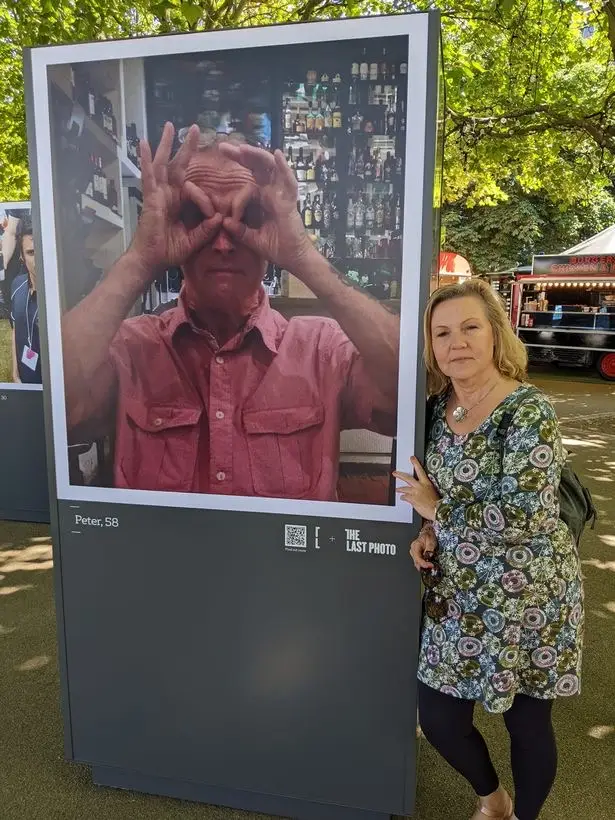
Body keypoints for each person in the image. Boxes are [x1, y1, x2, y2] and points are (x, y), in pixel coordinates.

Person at [62, 123, 399, 498]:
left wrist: (302, 254)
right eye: (197, 218)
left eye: (246, 218)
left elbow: (412, 391)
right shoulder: (133, 350)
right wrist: (141, 258)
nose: (222, 242)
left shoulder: (321, 351)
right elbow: (56, 406)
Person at [394, 279, 584, 820]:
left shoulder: (529, 411)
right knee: (439, 717)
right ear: (431, 347)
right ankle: (492, 799)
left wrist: (438, 513)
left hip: (530, 596)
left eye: (470, 327)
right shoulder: (433, 411)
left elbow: (527, 514)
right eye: (443, 332)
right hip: (459, 593)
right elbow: (435, 496)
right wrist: (429, 533)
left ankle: (523, 817)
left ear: (496, 335)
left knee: (526, 721)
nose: (457, 342)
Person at [10, 219, 41, 384]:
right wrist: (15, 373)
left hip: (51, 387)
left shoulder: (57, 296)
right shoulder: (17, 284)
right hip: (23, 379)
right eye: (31, 253)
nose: (38, 261)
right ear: (22, 256)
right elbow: (16, 329)